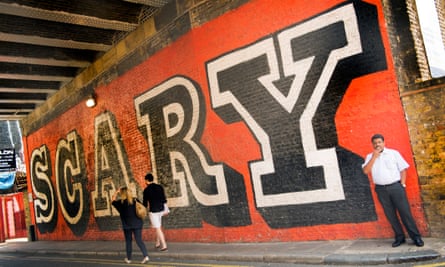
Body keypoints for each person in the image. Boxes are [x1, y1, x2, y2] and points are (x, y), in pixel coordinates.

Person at [362, 134, 424, 247]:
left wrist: (402, 185)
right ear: (372, 145)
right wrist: (374, 157)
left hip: (396, 187)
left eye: (379, 142)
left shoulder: (393, 153)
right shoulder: (369, 156)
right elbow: (366, 171)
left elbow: (403, 169)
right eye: (375, 143)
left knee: (405, 213)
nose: (377, 145)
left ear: (384, 142)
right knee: (390, 215)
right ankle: (400, 237)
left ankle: (416, 237)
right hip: (381, 189)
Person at [112, 187, 150, 263]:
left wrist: (116, 192)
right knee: (139, 240)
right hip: (138, 223)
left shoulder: (121, 203)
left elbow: (112, 200)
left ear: (122, 194)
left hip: (127, 225)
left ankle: (129, 259)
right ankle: (146, 256)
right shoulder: (135, 200)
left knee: (128, 241)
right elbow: (142, 207)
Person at [143, 173, 169, 251]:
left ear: (147, 180)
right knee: (158, 226)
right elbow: (164, 199)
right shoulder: (159, 187)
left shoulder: (146, 190)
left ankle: (164, 246)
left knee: (157, 228)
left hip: (153, 211)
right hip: (161, 209)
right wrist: (166, 209)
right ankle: (157, 243)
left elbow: (144, 204)